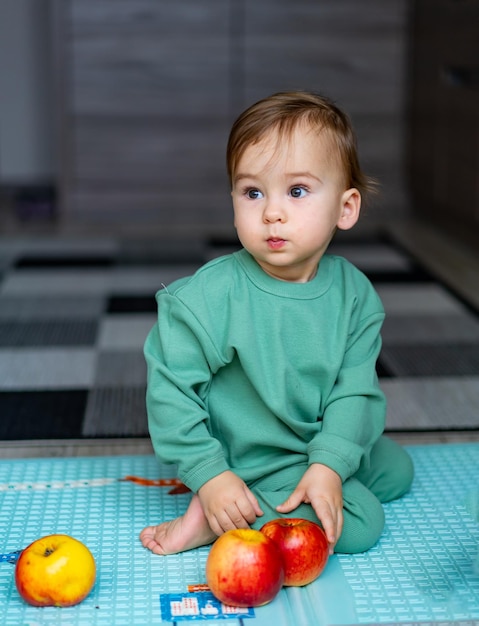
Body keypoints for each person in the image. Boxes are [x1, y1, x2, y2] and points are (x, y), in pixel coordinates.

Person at [140, 91, 414, 557]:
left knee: (396, 469)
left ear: (345, 209)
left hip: (308, 440)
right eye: (252, 192)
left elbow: (355, 391)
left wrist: (328, 463)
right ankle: (219, 515)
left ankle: (311, 473)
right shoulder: (207, 299)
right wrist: (211, 475)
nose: (272, 212)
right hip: (249, 458)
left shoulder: (355, 295)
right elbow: (170, 394)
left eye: (298, 191)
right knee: (363, 522)